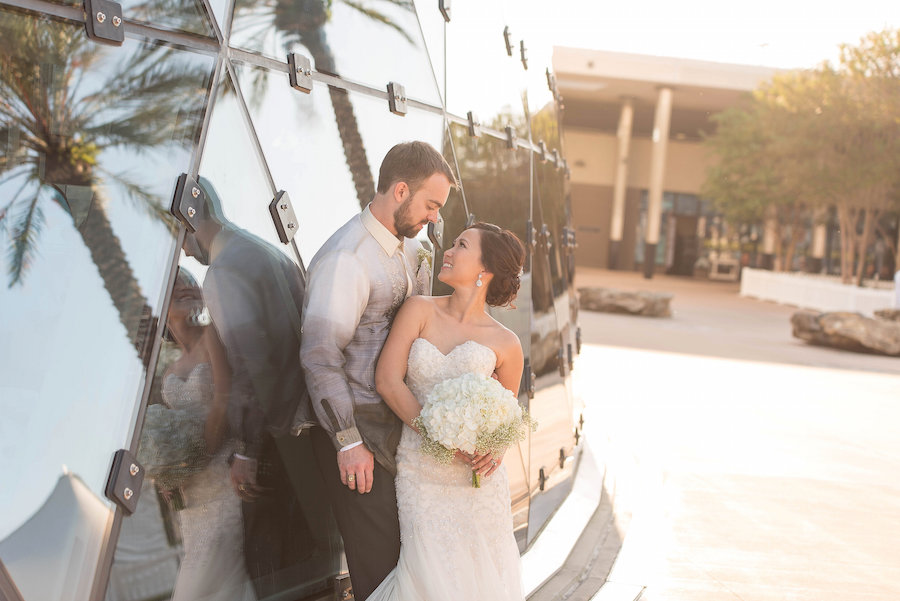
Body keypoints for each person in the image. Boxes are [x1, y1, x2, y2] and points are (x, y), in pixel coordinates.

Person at [300, 141, 455, 601]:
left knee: (408, 563)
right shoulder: (346, 259)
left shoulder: (409, 252)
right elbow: (319, 356)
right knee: (380, 571)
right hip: (358, 438)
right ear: (400, 190)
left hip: (396, 431)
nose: (433, 218)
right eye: (431, 205)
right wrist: (347, 442)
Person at [368, 222, 527, 601]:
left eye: (462, 246)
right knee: (426, 575)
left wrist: (497, 451)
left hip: (475, 486)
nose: (449, 252)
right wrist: (435, 434)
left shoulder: (507, 343)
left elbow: (507, 416)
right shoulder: (418, 310)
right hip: (421, 474)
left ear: (484, 271)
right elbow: (388, 381)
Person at [182, 177, 314, 597]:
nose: (185, 251)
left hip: (273, 444)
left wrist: (246, 450)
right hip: (305, 433)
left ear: (191, 217)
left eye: (180, 238)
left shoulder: (222, 273)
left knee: (274, 574)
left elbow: (249, 367)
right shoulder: (268, 252)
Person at [159, 268, 256, 601]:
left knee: (204, 583)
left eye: (188, 281)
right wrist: (165, 473)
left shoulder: (211, 335)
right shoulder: (170, 371)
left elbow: (223, 402)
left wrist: (193, 461)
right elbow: (169, 432)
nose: (185, 288)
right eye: (174, 285)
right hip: (192, 498)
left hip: (219, 476)